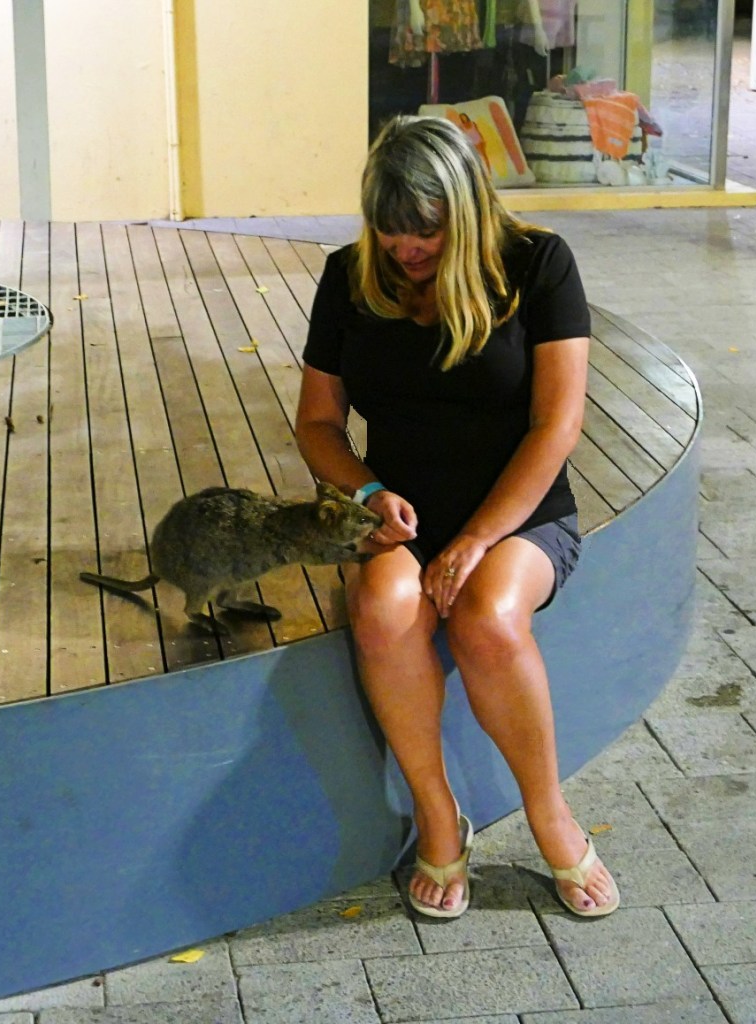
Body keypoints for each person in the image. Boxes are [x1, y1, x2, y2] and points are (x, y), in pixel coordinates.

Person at [294, 114, 619, 920]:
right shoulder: (349, 275)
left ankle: (549, 814)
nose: (405, 249)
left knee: (488, 618)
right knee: (382, 611)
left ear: (467, 210)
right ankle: (438, 814)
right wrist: (368, 494)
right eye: (390, 230)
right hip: (401, 514)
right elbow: (318, 424)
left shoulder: (538, 264)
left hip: (518, 512)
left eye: (426, 232)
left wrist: (477, 537)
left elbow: (557, 425)